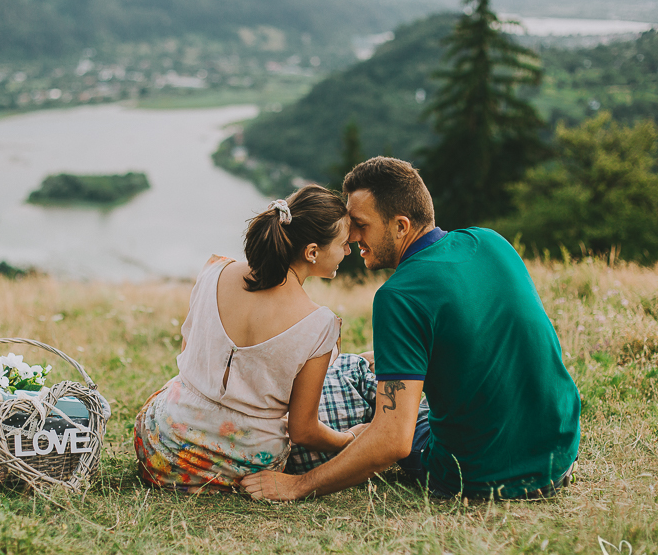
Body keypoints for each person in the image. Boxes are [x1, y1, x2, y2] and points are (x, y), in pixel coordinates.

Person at [242, 157, 581, 501]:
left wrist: (298, 485)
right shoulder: (489, 241)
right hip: (559, 451)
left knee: (379, 415)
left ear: (401, 226)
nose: (350, 236)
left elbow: (392, 441)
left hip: (480, 474)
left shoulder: (400, 295)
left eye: (360, 224)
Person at [134, 184, 372, 492]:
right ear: (312, 252)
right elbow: (303, 432)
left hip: (162, 449)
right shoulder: (320, 326)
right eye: (343, 244)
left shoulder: (215, 271)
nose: (348, 251)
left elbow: (187, 352)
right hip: (245, 464)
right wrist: (350, 439)